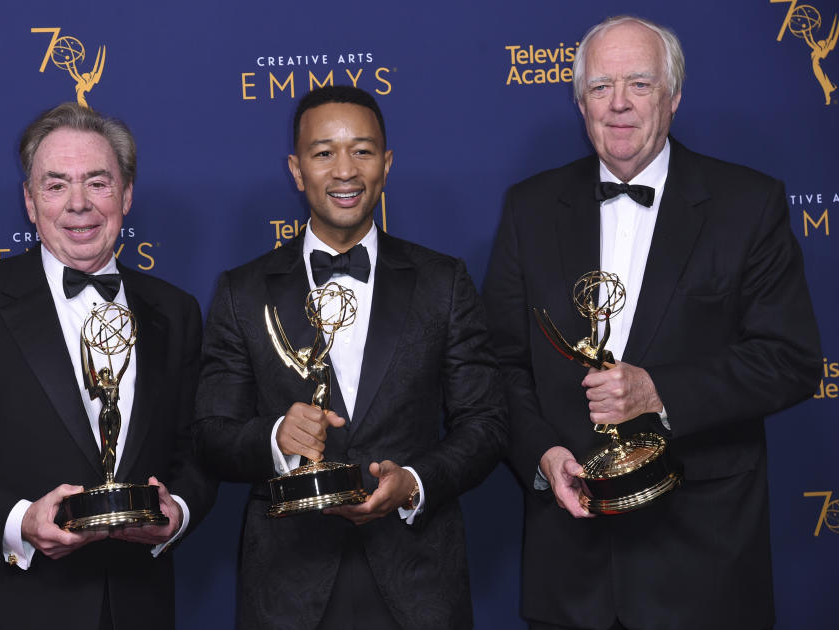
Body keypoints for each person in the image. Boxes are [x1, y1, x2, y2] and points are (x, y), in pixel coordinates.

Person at [483, 15, 821, 630]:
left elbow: (790, 360)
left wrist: (658, 391)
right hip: (571, 568)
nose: (617, 105)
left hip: (704, 568)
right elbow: (500, 364)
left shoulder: (749, 204)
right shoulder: (528, 208)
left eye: (639, 84)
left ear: (674, 97)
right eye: (599, 87)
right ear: (579, 101)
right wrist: (543, 454)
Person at [194, 85, 508, 630]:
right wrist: (274, 439)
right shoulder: (242, 292)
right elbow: (212, 433)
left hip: (419, 585)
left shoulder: (443, 282)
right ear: (296, 170)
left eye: (362, 151)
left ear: (386, 164)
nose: (345, 171)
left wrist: (415, 480)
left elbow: (486, 422)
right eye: (324, 153)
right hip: (288, 590)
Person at [0, 102, 216, 630]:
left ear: (127, 194)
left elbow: (200, 445)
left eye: (98, 182)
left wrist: (177, 512)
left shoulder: (176, 310)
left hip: (139, 605)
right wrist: (21, 520)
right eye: (55, 185)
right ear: (29, 201)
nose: (78, 205)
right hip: (13, 605)